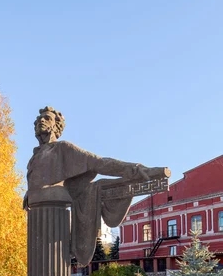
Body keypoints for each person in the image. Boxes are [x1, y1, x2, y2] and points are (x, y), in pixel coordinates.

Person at [24, 106, 170, 265]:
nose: (41, 121)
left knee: (51, 265)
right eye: (39, 120)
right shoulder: (35, 157)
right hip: (37, 215)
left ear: (55, 126)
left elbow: (100, 163)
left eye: (47, 118)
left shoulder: (63, 148)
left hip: (55, 212)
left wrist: (137, 170)